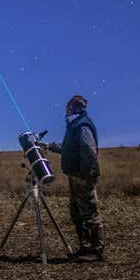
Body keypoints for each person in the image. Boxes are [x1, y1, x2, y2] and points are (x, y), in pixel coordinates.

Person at [44, 95, 105, 262]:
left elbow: (89, 150)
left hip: (82, 176)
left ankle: (96, 250)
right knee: (77, 213)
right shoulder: (75, 126)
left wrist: (85, 174)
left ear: (73, 108)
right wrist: (50, 146)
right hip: (76, 175)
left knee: (89, 212)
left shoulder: (82, 125)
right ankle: (84, 247)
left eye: (68, 107)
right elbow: (68, 148)